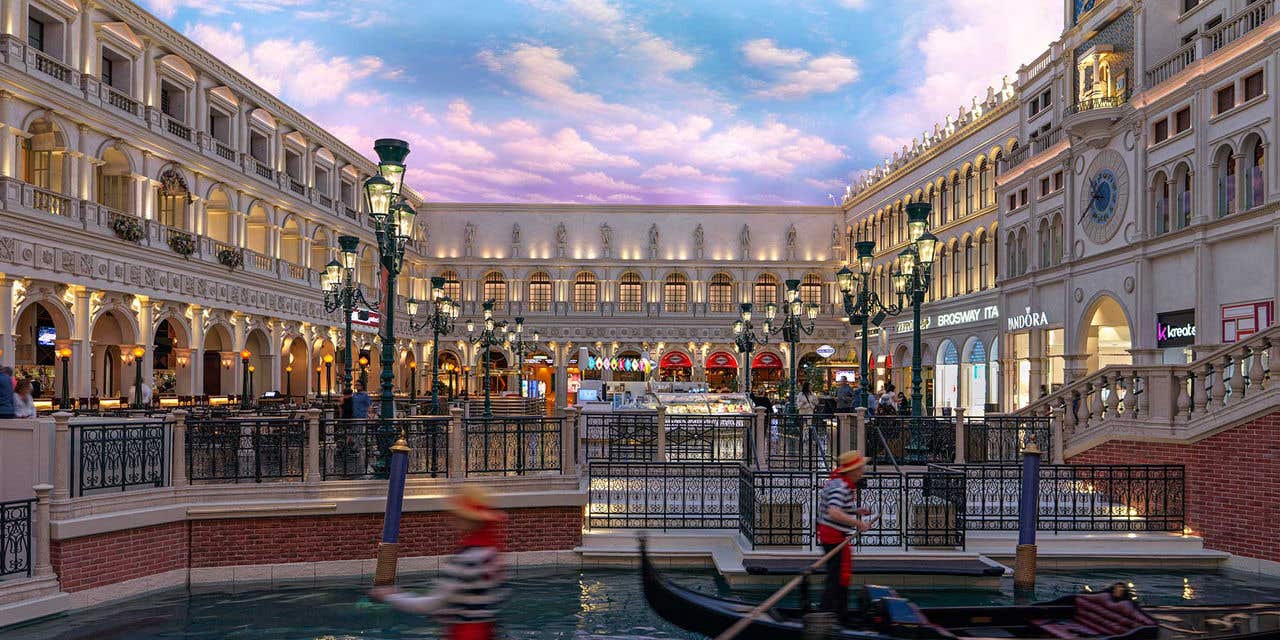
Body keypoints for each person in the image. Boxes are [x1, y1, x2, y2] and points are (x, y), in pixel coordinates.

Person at [371, 485, 508, 640]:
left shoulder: (465, 559)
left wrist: (391, 596)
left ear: (466, 519)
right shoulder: (493, 555)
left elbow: (431, 604)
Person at [817, 450, 872, 620]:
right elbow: (833, 512)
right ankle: (830, 613)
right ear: (852, 471)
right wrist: (858, 523)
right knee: (836, 576)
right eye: (860, 468)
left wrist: (856, 511)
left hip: (832, 534)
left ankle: (837, 612)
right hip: (832, 536)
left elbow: (838, 507)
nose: (862, 471)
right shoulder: (841, 487)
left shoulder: (839, 483)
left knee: (838, 574)